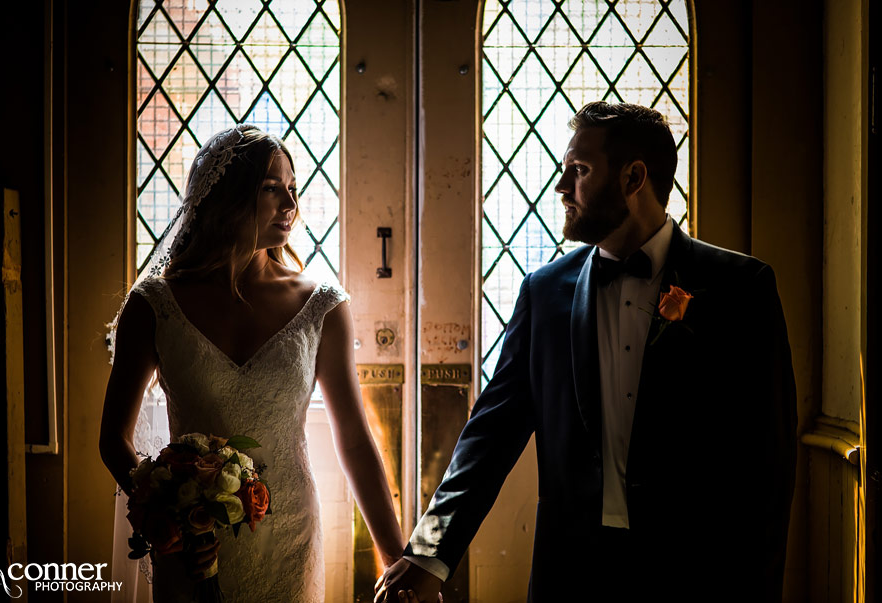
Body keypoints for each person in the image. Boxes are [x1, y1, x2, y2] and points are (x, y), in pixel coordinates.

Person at [376, 102, 797, 603]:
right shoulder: (545, 292)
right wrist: (429, 550)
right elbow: (491, 432)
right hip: (571, 574)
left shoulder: (739, 289)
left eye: (578, 171)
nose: (561, 187)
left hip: (697, 572)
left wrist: (760, 585)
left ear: (633, 177)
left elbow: (767, 461)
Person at [99, 124, 404, 602]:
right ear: (227, 197)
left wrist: (395, 557)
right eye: (271, 189)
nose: (290, 204)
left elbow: (355, 439)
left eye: (293, 189)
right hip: (191, 542)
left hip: (287, 536)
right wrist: (168, 517)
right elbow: (113, 439)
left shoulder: (322, 307)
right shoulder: (154, 304)